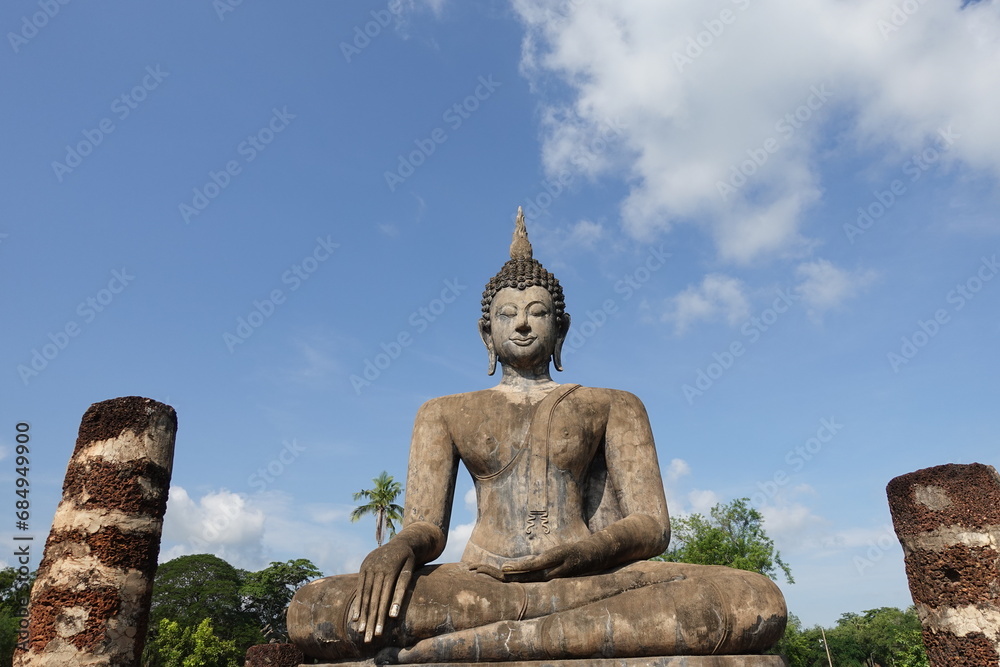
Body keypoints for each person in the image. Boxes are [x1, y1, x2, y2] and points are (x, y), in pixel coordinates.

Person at [288, 210, 786, 662]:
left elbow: (652, 525)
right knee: (317, 608)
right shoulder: (443, 412)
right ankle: (535, 636)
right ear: (486, 333)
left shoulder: (614, 404)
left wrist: (584, 553)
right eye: (507, 314)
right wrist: (399, 548)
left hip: (587, 579)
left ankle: (458, 647)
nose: (523, 324)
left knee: (752, 599)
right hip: (483, 583)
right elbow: (428, 528)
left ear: (560, 329)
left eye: (537, 312)